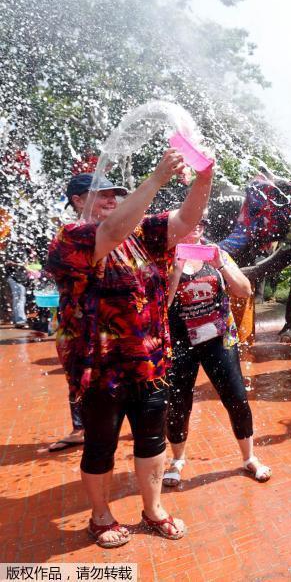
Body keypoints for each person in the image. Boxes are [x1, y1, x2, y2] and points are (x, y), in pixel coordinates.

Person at [46, 151, 211, 548]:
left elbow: (186, 221)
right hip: (99, 368)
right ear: (77, 201)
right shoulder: (71, 236)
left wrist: (204, 177)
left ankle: (153, 509)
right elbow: (111, 234)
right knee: (100, 444)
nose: (112, 201)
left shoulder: (141, 233)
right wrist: (154, 179)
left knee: (152, 440)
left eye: (116, 196)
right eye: (103, 195)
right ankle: (100, 516)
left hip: (149, 363)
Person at [162, 218, 270, 487]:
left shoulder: (218, 254)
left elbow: (244, 291)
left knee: (237, 398)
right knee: (177, 404)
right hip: (179, 343)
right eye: (189, 223)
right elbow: (160, 305)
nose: (194, 228)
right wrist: (175, 271)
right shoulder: (165, 259)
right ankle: (177, 461)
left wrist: (219, 264)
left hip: (219, 340)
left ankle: (249, 458)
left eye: (199, 224)